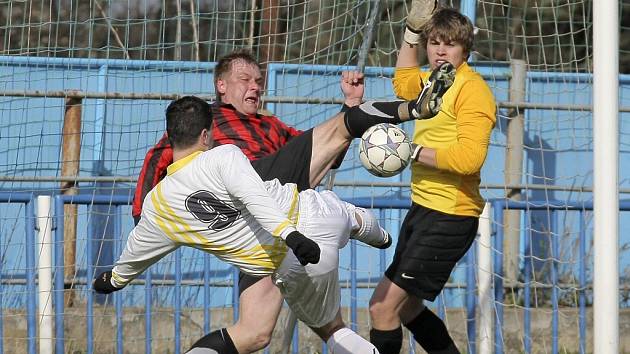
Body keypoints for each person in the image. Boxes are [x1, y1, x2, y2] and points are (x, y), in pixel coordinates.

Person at [130, 50, 455, 353]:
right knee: (341, 130)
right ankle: (412, 110)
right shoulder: (205, 124)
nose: (255, 87)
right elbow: (157, 162)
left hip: (267, 229)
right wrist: (142, 220)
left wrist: (350, 107)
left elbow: (325, 156)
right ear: (221, 86)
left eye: (259, 81)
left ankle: (357, 212)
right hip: (255, 184)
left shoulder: (272, 125)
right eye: (245, 80)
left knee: (256, 332)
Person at [94, 96, 385, 353]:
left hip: (287, 256)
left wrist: (115, 279)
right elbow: (255, 196)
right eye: (247, 80)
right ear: (207, 135)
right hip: (309, 213)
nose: (254, 87)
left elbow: (136, 252)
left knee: (332, 330)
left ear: (170, 138)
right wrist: (290, 233)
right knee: (347, 216)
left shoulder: (157, 206)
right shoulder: (225, 154)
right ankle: (376, 233)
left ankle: (366, 229)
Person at [367, 3, 497, 354]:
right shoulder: (434, 82)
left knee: (383, 308)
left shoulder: (472, 90)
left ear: (464, 49)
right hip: (424, 208)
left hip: (450, 215)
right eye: (434, 41)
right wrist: (411, 31)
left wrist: (411, 151)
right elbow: (404, 81)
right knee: (406, 308)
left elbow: (470, 159)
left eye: (450, 43)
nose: (440, 50)